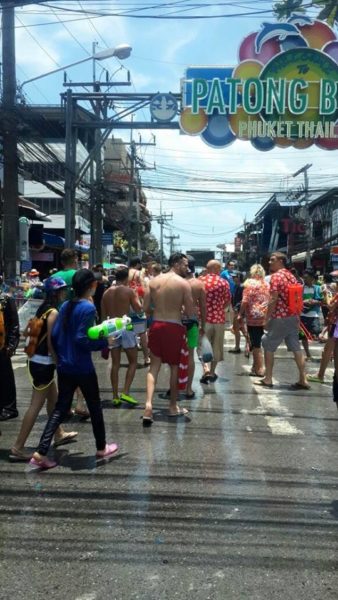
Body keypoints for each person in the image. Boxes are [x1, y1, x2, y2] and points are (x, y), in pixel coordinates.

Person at [30, 269, 118, 469]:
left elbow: (57, 335)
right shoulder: (87, 308)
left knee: (61, 408)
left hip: (64, 366)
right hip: (82, 367)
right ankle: (101, 447)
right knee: (94, 406)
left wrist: (62, 356)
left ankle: (41, 451)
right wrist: (105, 342)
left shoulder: (65, 305)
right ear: (92, 286)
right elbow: (81, 339)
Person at [10, 277, 78, 461]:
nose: (65, 293)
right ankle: (17, 448)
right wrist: (59, 362)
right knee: (35, 406)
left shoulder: (43, 309)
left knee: (54, 402)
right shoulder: (54, 312)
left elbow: (30, 332)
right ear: (56, 293)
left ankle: (59, 434)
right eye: (62, 290)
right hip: (43, 365)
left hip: (36, 361)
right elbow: (51, 342)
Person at [142, 252, 195, 425]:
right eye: (185, 265)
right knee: (174, 367)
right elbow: (190, 312)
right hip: (174, 326)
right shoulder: (183, 284)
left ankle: (148, 406)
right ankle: (173, 406)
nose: (187, 268)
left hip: (156, 325)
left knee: (154, 367)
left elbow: (145, 308)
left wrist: (158, 309)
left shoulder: (153, 281)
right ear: (177, 264)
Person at [258, 252, 309, 390]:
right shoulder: (291, 276)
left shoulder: (276, 277)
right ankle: (303, 379)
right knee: (296, 348)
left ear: (281, 261)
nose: (269, 262)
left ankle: (268, 378)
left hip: (280, 317)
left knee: (268, 345)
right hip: (293, 316)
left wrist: (266, 318)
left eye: (272, 260)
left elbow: (273, 299)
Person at [54, 248, 88, 417]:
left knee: (63, 366)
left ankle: (64, 406)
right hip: (77, 321)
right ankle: (80, 404)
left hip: (58, 324)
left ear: (61, 261)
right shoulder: (79, 275)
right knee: (81, 365)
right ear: (74, 259)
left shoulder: (53, 278)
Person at [101, 268, 142, 406]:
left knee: (115, 363)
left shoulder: (106, 293)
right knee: (133, 362)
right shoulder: (129, 291)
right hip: (125, 325)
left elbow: (102, 316)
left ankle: (115, 396)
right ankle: (125, 392)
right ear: (127, 278)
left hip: (111, 326)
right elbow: (138, 309)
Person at [199, 260, 231, 383]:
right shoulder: (223, 282)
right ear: (217, 268)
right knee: (216, 346)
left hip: (204, 319)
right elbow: (228, 301)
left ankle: (205, 369)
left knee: (203, 346)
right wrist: (219, 309)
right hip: (218, 319)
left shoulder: (200, 282)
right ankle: (212, 372)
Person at [239, 264, 270, 377]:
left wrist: (240, 314)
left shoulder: (249, 284)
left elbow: (245, 301)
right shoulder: (267, 284)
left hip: (253, 317)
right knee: (261, 341)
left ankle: (260, 369)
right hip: (265, 316)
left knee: (255, 343)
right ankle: (255, 366)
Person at [182, 256, 206, 398]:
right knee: (190, 355)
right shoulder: (199, 284)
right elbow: (203, 306)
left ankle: (175, 385)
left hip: (177, 322)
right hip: (193, 322)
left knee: (176, 355)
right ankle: (188, 388)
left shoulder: (176, 283)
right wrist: (203, 324)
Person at [0, 282, 20, 421]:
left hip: (3, 346)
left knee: (5, 377)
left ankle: (9, 408)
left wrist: (12, 345)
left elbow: (14, 324)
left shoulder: (6, 299)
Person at [128, 256, 149, 365]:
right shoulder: (138, 273)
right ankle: (146, 358)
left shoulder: (125, 273)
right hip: (137, 304)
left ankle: (132, 360)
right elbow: (144, 289)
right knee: (142, 333)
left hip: (126, 304)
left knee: (129, 331)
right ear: (137, 264)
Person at [300, 269, 322, 360]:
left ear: (312, 278)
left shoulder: (317, 288)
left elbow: (321, 301)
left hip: (313, 315)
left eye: (307, 278)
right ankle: (308, 354)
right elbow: (296, 300)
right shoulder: (300, 288)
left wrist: (313, 301)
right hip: (303, 315)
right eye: (304, 278)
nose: (305, 280)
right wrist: (303, 302)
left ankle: (324, 352)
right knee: (303, 336)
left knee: (317, 332)